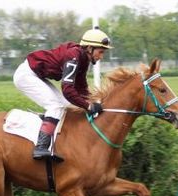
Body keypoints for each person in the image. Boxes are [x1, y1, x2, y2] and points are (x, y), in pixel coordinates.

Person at [13, 28, 112, 161]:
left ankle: (58, 141)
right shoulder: (74, 56)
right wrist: (88, 106)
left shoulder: (83, 60)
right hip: (26, 75)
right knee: (55, 106)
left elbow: (81, 87)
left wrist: (94, 103)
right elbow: (67, 90)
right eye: (100, 52)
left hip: (37, 75)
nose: (101, 56)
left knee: (67, 106)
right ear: (89, 48)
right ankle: (41, 147)